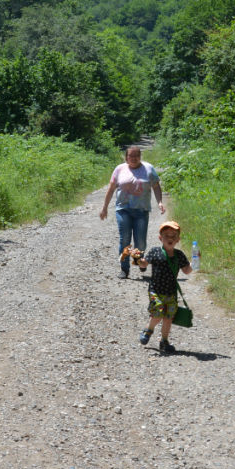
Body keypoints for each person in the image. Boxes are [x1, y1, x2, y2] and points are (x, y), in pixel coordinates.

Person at [99, 145, 165, 279]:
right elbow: (111, 189)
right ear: (126, 158)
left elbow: (156, 187)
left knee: (140, 242)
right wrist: (104, 207)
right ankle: (124, 269)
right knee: (125, 240)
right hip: (123, 209)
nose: (134, 158)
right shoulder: (119, 169)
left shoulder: (148, 168)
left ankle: (140, 261)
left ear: (140, 156)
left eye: (137, 156)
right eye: (131, 156)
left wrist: (159, 202)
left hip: (141, 210)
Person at [138, 219, 192, 355]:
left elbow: (186, 270)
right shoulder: (155, 251)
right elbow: (144, 264)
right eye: (167, 235)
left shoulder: (179, 255)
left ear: (178, 239)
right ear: (160, 238)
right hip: (156, 290)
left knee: (168, 318)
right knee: (157, 314)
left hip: (171, 293)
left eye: (173, 236)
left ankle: (164, 341)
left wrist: (195, 262)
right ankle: (148, 330)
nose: (170, 238)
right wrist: (138, 259)